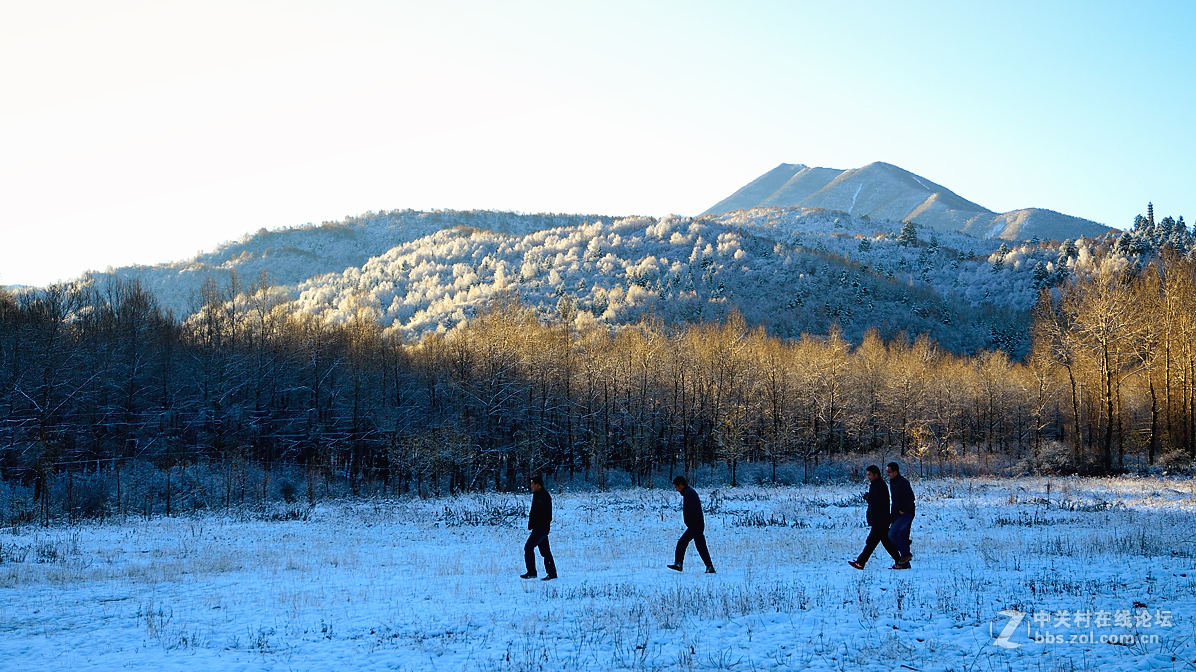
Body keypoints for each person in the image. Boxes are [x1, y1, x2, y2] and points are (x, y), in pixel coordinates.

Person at [848, 465, 903, 570]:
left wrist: (869, 497)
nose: (868, 477)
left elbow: (879, 501)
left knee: (872, 543)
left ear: (876, 474)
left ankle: (860, 562)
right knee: (885, 542)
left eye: (869, 474)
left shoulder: (880, 485)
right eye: (867, 474)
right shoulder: (876, 485)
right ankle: (900, 561)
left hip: (880, 520)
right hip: (879, 520)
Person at [668, 476, 716, 574]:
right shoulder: (688, 492)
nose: (676, 489)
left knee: (700, 546)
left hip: (695, 524)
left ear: (681, 485)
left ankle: (709, 567)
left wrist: (689, 520)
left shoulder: (689, 493)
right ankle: (678, 564)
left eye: (676, 487)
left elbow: (692, 510)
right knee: (683, 543)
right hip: (694, 524)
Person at [521, 475, 557, 581]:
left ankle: (532, 572)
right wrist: (531, 524)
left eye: (532, 484)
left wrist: (538, 524)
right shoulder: (537, 495)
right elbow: (534, 511)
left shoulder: (544, 496)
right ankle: (552, 573)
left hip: (541, 528)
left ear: (538, 485)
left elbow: (547, 515)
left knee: (528, 547)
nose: (531, 486)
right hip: (539, 528)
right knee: (545, 551)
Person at [886, 462, 915, 568]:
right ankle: (904, 564)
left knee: (892, 534)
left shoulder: (903, 482)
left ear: (895, 472)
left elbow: (911, 498)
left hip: (906, 514)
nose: (887, 474)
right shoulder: (892, 481)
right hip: (897, 514)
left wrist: (904, 509)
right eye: (887, 471)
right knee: (902, 537)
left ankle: (906, 554)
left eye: (889, 472)